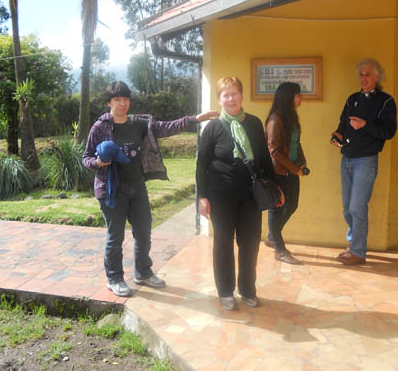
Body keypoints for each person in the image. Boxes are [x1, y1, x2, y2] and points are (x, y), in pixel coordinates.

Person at [83, 81, 218, 297]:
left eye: (125, 99)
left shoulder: (139, 124)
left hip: (137, 187)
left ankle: (143, 272)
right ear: (109, 102)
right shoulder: (100, 127)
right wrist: (98, 162)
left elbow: (167, 127)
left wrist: (196, 119)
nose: (122, 103)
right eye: (117, 99)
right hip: (111, 191)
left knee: (144, 233)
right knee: (115, 237)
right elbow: (86, 158)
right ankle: (114, 278)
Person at [197, 77, 282, 310]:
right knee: (223, 243)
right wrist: (202, 197)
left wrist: (275, 188)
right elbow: (201, 164)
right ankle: (225, 291)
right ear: (219, 99)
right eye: (226, 95)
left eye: (234, 93)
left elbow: (264, 158)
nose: (231, 99)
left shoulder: (254, 123)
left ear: (241, 96)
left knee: (250, 243)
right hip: (221, 196)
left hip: (250, 195)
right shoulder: (213, 128)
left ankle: (247, 290)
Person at [331, 59, 397, 265]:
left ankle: (358, 252)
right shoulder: (352, 99)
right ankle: (353, 244)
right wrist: (337, 136)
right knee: (347, 207)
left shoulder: (386, 101)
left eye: (367, 74)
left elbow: (389, 131)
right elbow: (343, 125)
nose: (363, 78)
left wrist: (365, 125)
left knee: (357, 207)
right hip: (347, 158)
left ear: (377, 76)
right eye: (361, 74)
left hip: (366, 161)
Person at [265, 82, 307, 265]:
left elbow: (296, 143)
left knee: (292, 205)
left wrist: (302, 162)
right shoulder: (275, 120)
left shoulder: (291, 117)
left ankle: (272, 236)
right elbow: (274, 151)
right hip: (278, 172)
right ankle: (279, 250)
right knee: (276, 209)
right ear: (289, 97)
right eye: (298, 95)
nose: (300, 98)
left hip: (292, 171)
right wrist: (294, 168)